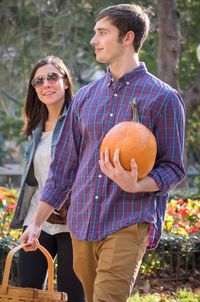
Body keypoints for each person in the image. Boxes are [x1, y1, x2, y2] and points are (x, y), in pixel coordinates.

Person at [20, 4, 186, 302]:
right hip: (82, 223)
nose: (93, 40)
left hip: (128, 218)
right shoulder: (85, 97)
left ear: (127, 38)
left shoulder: (163, 97)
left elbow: (173, 168)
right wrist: (35, 224)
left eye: (102, 33)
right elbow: (63, 169)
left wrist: (137, 184)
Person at [10, 56, 85, 302]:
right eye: (38, 81)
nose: (46, 84)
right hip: (37, 219)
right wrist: (32, 222)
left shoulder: (80, 120)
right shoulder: (35, 129)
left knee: (71, 294)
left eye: (52, 77)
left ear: (65, 81)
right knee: (29, 293)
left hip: (72, 222)